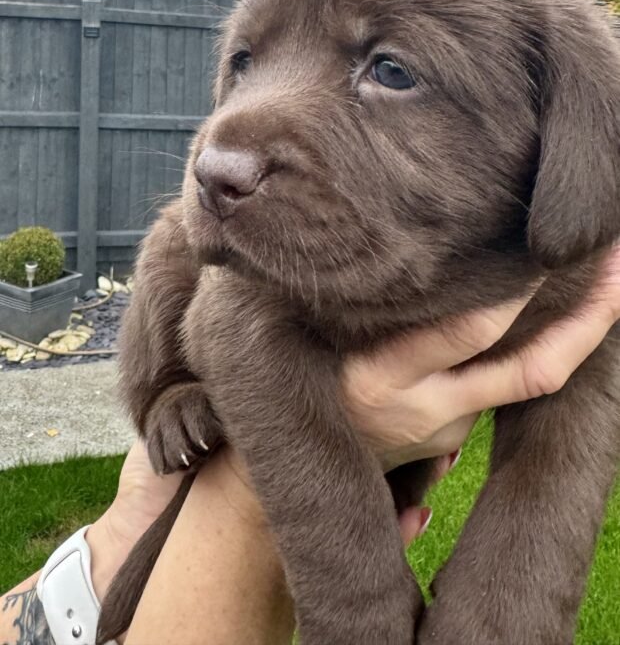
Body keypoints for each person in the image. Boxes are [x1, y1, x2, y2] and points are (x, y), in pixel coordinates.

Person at [2, 247, 619, 645]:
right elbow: (233, 318)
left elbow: (581, 374)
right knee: (175, 248)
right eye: (242, 64)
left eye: (393, 72)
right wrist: (358, 605)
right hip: (231, 354)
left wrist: (512, 612)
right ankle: (169, 390)